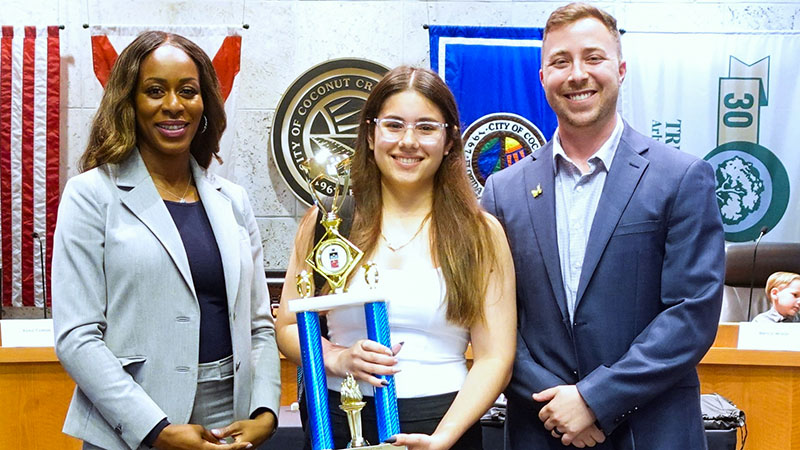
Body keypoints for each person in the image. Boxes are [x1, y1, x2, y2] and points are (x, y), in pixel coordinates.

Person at [480, 3, 725, 449]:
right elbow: (492, 322)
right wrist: (559, 408)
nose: (577, 74)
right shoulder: (502, 191)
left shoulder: (681, 177)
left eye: (593, 58)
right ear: (542, 78)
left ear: (621, 68)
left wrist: (594, 399)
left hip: (652, 431)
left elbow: (691, 313)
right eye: (560, 61)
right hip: (542, 428)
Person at [52, 31, 280, 450]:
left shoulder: (233, 201)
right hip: (130, 425)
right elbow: (77, 336)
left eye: (188, 91)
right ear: (130, 103)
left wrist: (265, 411)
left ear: (205, 105)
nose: (173, 105)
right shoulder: (90, 195)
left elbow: (259, 324)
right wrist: (155, 429)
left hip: (230, 424)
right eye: (154, 90)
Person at [275, 66, 516, 450]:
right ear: (371, 136)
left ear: (449, 140)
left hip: (442, 426)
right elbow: (288, 326)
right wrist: (336, 358)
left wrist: (443, 438)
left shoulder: (480, 233)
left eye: (426, 127)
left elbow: (495, 358)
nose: (408, 141)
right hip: (338, 422)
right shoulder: (328, 223)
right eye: (393, 125)